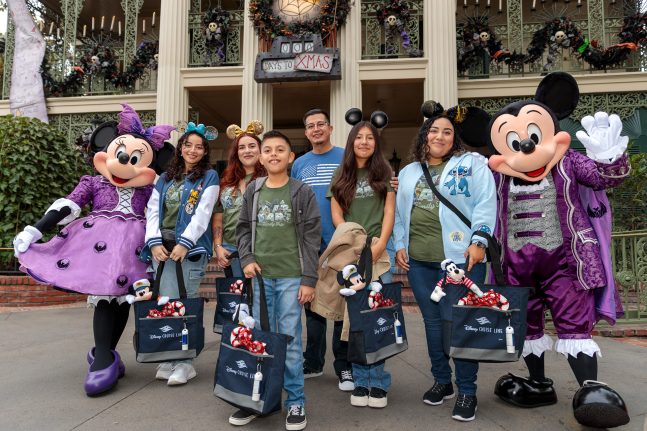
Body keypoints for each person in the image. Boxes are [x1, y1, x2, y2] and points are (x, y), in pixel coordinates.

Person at [13, 104, 175, 396]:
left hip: (134, 248)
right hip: (98, 245)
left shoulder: (150, 190)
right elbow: (68, 206)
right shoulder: (94, 182)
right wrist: (35, 229)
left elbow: (157, 216)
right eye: (122, 153)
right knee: (104, 296)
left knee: (124, 299)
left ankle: (108, 354)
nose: (126, 161)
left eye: (135, 158)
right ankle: (102, 358)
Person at [393, 101, 496, 422]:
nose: (439, 136)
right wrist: (399, 244)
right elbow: (399, 213)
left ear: (455, 137)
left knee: (460, 324)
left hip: (461, 260)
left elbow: (485, 203)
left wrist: (480, 240)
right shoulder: (408, 171)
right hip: (421, 263)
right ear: (424, 136)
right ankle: (442, 381)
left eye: (446, 131)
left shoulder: (472, 164)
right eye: (433, 130)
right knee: (433, 324)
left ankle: (467, 390)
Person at [232, 130, 321, 431]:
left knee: (290, 339)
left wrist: (309, 279)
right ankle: (260, 399)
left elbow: (311, 239)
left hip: (291, 278)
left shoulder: (302, 192)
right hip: (260, 278)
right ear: (260, 157)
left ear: (290, 157)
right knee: (260, 337)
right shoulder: (253, 190)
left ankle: (295, 399)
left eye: (280, 150)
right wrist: (246, 259)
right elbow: (242, 229)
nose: (273, 154)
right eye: (267, 150)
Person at [142, 122, 219, 386]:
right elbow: (152, 210)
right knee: (165, 302)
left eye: (199, 147)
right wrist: (153, 242)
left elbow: (204, 212)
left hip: (190, 250)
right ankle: (169, 356)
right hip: (162, 248)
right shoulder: (164, 178)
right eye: (188, 145)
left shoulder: (209, 177)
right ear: (181, 148)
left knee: (185, 303)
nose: (193, 150)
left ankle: (185, 363)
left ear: (205, 151)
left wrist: (185, 243)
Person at [329, 117, 395, 408]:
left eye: (370, 137)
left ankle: (378, 383)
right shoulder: (341, 175)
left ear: (376, 143)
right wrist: (352, 245)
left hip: (378, 254)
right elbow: (337, 215)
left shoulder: (385, 173)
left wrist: (379, 245)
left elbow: (390, 212)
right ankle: (360, 380)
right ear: (352, 142)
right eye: (359, 137)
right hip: (351, 254)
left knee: (378, 320)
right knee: (355, 322)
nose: (364, 142)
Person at [291, 108, 354, 391]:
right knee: (313, 306)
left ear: (329, 128)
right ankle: (313, 361)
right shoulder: (299, 164)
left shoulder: (345, 156)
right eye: (310, 126)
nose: (316, 129)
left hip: (340, 241)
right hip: (309, 243)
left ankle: (344, 365)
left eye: (320, 124)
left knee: (342, 305)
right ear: (306, 132)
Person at [212, 121, 266, 276]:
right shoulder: (226, 183)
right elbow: (218, 218)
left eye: (252, 146)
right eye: (242, 147)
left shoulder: (270, 179)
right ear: (236, 153)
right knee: (237, 296)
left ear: (261, 150)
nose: (247, 151)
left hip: (260, 248)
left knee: (260, 296)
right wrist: (218, 246)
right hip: (231, 248)